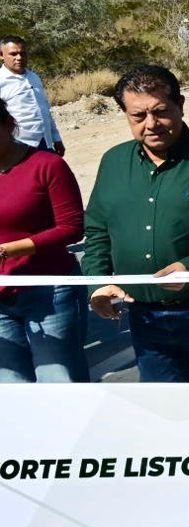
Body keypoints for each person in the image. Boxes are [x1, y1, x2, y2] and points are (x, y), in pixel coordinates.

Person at [82, 65, 189, 382]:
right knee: (166, 415)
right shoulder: (113, 162)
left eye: (161, 112)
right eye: (138, 116)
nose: (151, 124)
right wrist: (97, 283)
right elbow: (97, 231)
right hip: (144, 319)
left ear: (180, 105)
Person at [0, 97, 87, 382]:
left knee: (59, 381)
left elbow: (72, 227)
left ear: (9, 125)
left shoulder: (47, 165)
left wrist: (11, 250)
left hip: (50, 290)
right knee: (11, 387)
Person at [0, 36, 64, 156]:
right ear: (1, 55)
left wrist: (56, 138)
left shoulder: (34, 77)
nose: (19, 58)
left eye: (22, 53)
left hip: (46, 142)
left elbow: (45, 110)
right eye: (13, 54)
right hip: (19, 147)